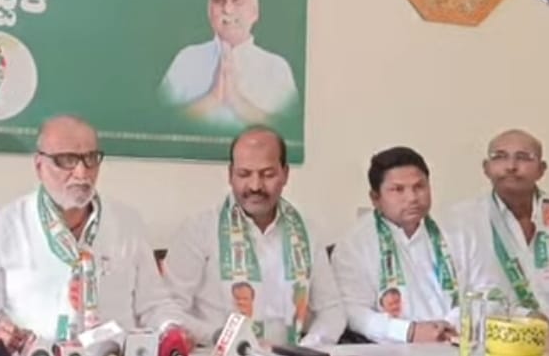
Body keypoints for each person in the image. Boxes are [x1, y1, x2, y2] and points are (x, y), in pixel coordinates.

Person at [0, 115, 192, 351]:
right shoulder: (3, 228)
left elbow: (154, 304)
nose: (82, 173)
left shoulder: (127, 223)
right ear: (39, 166)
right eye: (67, 160)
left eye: (90, 158)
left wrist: (172, 327)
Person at [162, 126, 345, 348]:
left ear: (285, 173)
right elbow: (168, 309)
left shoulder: (308, 232)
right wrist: (219, 336)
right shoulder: (198, 230)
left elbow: (332, 310)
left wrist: (306, 349)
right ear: (230, 175)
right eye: (244, 174)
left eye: (267, 174)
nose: (255, 186)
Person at [331, 146, 497, 344]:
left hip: (457, 342)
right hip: (391, 348)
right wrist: (408, 332)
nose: (412, 198)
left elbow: (488, 292)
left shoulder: (460, 234)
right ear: (375, 198)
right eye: (398, 189)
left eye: (419, 187)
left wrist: (450, 324)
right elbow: (352, 311)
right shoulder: (354, 245)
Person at [159, 0, 298, 127]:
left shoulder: (277, 68)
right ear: (209, 11)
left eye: (237, 0)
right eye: (219, 0)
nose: (228, 9)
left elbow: (287, 128)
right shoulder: (186, 59)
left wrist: (237, 101)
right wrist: (212, 99)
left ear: (254, 12)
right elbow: (160, 121)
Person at [448, 129, 549, 313]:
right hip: (494, 328)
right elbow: (456, 297)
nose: (511, 166)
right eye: (500, 157)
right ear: (486, 168)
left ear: (541, 170)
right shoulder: (462, 221)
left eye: (523, 157)